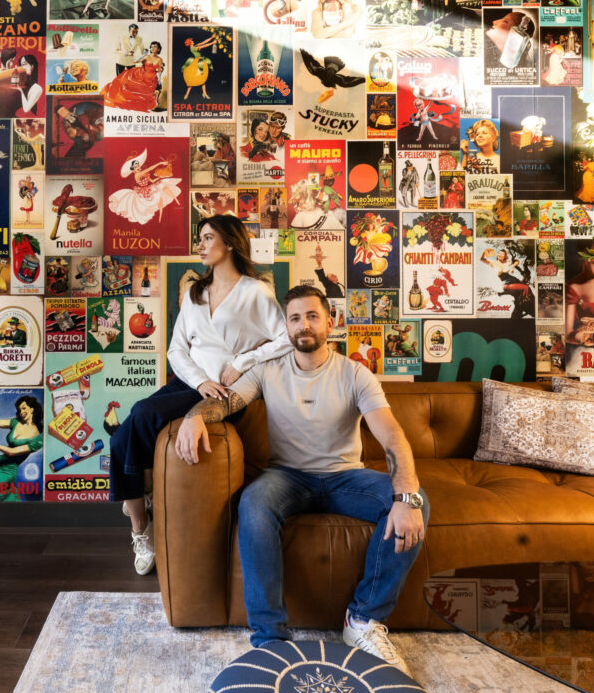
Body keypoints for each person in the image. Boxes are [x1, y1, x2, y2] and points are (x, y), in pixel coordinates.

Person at [174, 285, 427, 672]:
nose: (303, 324)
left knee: (414, 501)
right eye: (294, 318)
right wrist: (194, 416)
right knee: (253, 505)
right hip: (287, 478)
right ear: (286, 327)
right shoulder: (267, 370)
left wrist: (406, 497)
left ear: (330, 322)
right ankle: (270, 639)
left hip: (346, 477)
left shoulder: (355, 374)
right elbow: (225, 402)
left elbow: (392, 436)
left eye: (312, 316)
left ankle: (362, 620)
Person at [110, 215, 292, 575]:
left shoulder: (256, 292)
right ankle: (140, 530)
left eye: (208, 238)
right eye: (200, 238)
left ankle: (142, 490)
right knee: (119, 439)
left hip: (225, 393)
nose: (200, 245)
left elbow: (285, 338)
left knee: (142, 412)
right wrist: (198, 382)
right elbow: (176, 349)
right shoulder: (194, 292)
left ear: (230, 243)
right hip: (191, 383)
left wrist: (242, 361)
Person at [107, 148, 181, 225]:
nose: (138, 167)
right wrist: (160, 163)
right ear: (133, 170)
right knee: (158, 194)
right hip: (143, 192)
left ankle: (175, 201)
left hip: (148, 188)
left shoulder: (142, 173)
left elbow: (152, 181)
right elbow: (149, 168)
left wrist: (160, 177)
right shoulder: (137, 174)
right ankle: (161, 215)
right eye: (136, 167)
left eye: (138, 166)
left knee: (162, 185)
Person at [102, 41, 164, 112]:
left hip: (152, 76)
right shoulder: (147, 56)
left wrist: (159, 80)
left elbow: (159, 70)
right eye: (151, 46)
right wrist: (143, 55)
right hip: (141, 73)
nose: (152, 48)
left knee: (147, 88)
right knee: (130, 81)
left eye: (155, 47)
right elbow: (135, 61)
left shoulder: (159, 59)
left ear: (158, 49)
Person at [480, 247, 533, 319]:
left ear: (505, 256)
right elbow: (482, 259)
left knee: (526, 289)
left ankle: (526, 305)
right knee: (526, 288)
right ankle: (524, 304)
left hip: (515, 281)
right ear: (497, 255)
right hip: (507, 285)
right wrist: (484, 252)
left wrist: (512, 267)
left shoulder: (507, 263)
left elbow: (517, 261)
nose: (500, 255)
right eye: (499, 253)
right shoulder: (493, 263)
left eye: (502, 254)